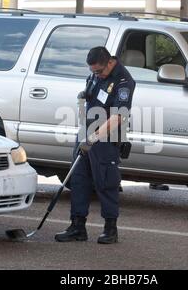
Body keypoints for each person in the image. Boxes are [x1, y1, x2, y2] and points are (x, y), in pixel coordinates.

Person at [55, 46, 135, 244]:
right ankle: (77, 227)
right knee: (79, 179)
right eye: (93, 72)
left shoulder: (123, 81)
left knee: (106, 182)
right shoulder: (95, 74)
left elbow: (119, 116)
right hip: (86, 132)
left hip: (106, 137)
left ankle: (110, 229)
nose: (96, 75)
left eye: (99, 71)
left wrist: (95, 137)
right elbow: (91, 97)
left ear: (109, 62)